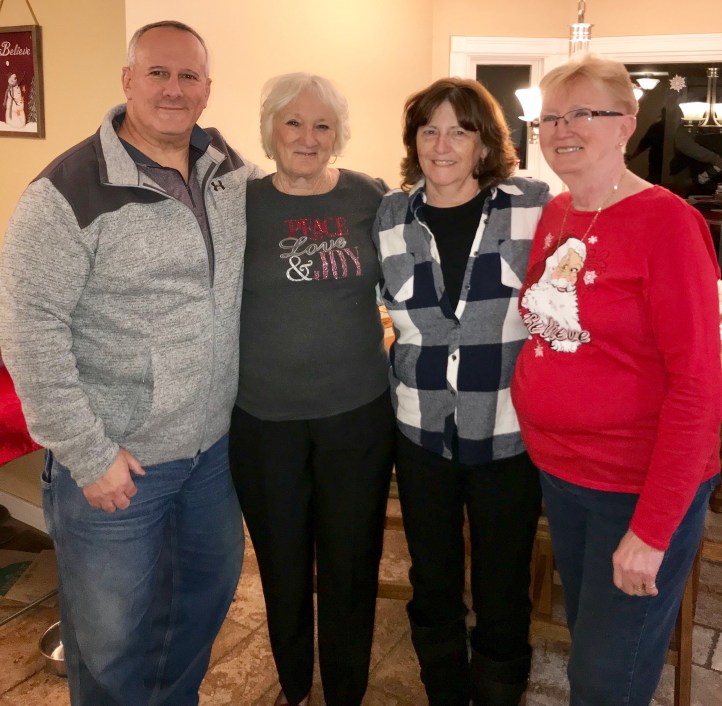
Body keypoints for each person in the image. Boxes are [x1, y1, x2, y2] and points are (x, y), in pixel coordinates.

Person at [0, 20, 262, 706]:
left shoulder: (227, 171)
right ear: (127, 81)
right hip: (118, 464)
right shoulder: (66, 192)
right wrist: (89, 455)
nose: (174, 89)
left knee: (197, 614)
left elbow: (297, 193)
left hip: (212, 457)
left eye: (188, 76)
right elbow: (28, 335)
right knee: (110, 645)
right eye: (157, 73)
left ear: (207, 89)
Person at [511, 54, 722, 705]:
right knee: (590, 642)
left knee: (608, 678)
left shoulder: (668, 224)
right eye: (550, 117)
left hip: (634, 484)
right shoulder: (558, 212)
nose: (561, 129)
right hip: (564, 474)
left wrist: (653, 530)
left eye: (583, 113)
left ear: (626, 124)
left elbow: (699, 387)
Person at [373, 78, 550, 706]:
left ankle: (499, 692)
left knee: (503, 583)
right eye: (429, 130)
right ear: (413, 141)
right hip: (421, 432)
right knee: (432, 578)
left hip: (507, 432)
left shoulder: (534, 206)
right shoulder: (390, 215)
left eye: (459, 131)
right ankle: (443, 691)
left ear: (484, 143)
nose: (442, 145)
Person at [228, 73, 395, 706]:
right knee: (282, 562)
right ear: (270, 129)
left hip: (357, 416)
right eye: (292, 122)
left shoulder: (369, 196)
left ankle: (347, 689)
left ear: (338, 134)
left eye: (322, 125)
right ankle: (295, 684)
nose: (307, 136)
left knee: (352, 562)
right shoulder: (239, 203)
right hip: (263, 419)